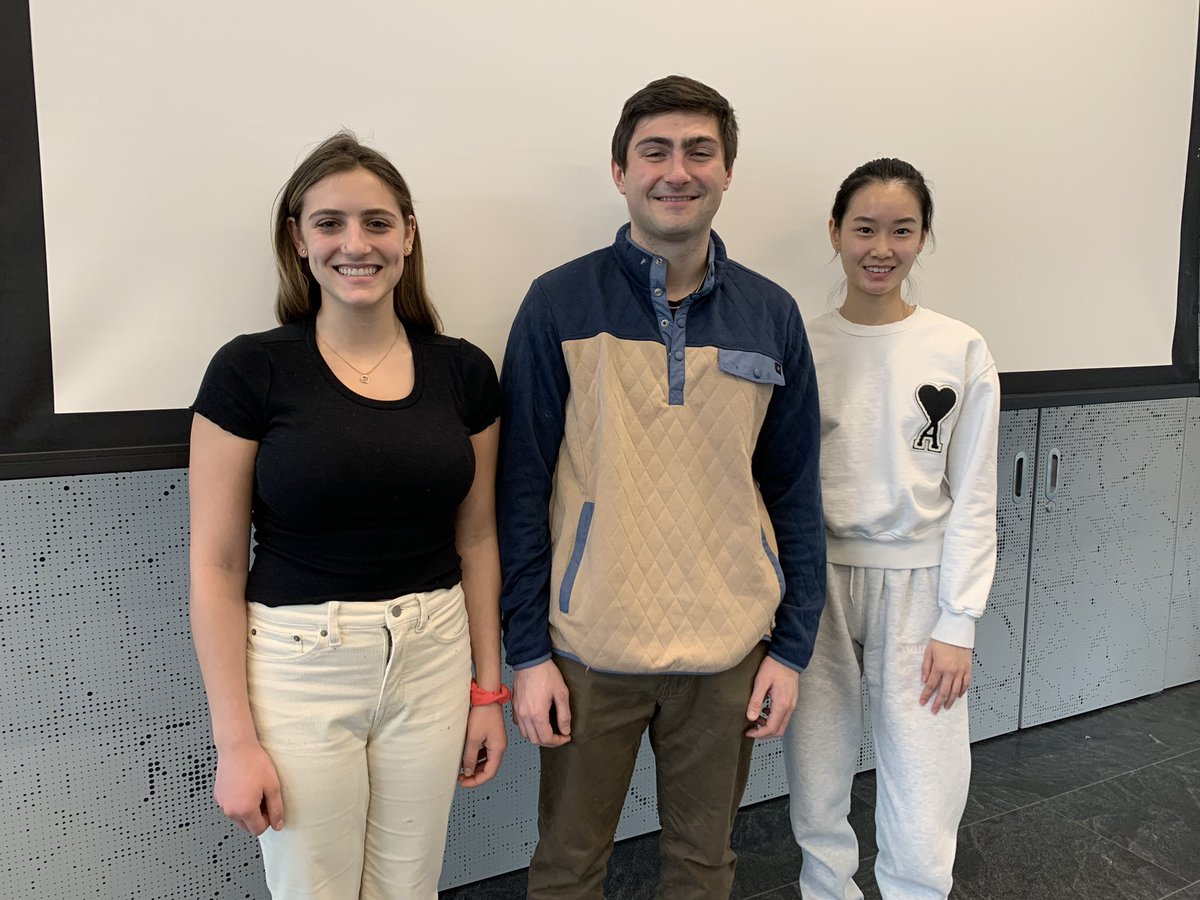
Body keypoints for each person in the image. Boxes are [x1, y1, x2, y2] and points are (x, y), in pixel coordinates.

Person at [498, 75, 826, 899]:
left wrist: (790, 647)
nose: (676, 171)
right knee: (568, 869)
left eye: (698, 151)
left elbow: (794, 491)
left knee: (703, 866)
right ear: (620, 171)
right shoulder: (557, 302)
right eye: (655, 151)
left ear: (726, 170)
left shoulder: (771, 314)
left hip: (727, 653)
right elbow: (521, 487)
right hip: (587, 650)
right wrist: (528, 651)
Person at [188, 132, 508, 899]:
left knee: (411, 887)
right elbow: (217, 564)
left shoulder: (462, 370)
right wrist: (235, 742)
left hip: (433, 655)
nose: (354, 243)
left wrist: (486, 691)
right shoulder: (250, 370)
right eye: (329, 223)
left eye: (376, 222)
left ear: (407, 235)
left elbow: (479, 538)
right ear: (298, 240)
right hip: (302, 667)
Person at [783, 158, 1000, 899]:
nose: (882, 247)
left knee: (924, 769)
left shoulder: (960, 348)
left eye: (901, 231)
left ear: (922, 238)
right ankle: (827, 890)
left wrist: (959, 620)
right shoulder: (801, 343)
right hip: (817, 582)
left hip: (922, 581)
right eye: (865, 228)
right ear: (836, 232)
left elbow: (973, 492)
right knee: (816, 768)